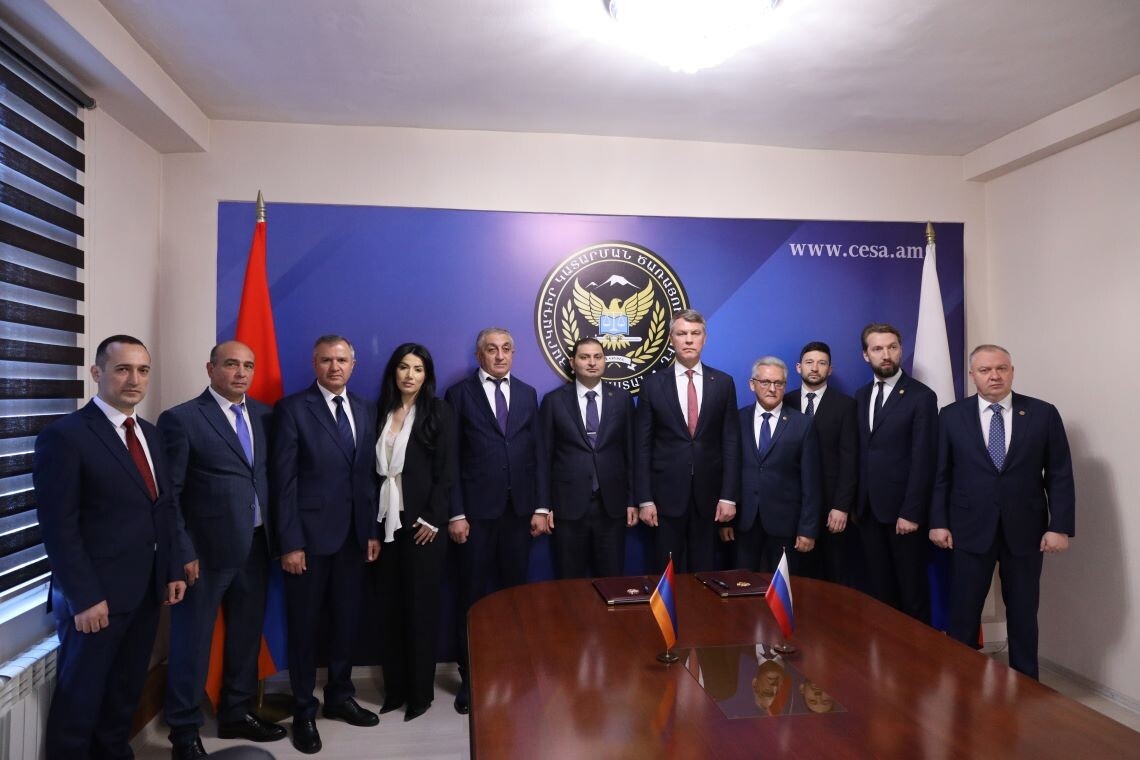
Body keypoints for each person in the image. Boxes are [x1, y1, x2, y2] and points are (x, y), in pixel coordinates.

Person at [33, 335, 187, 759]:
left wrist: (171, 568)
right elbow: (58, 528)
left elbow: (163, 508)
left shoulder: (151, 434)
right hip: (95, 598)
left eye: (142, 370)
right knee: (80, 701)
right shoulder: (65, 437)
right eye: (122, 369)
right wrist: (84, 597)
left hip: (145, 591)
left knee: (124, 693)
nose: (134, 379)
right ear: (97, 373)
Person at [161, 341, 286, 758]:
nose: (241, 373)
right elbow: (171, 495)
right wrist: (182, 551)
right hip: (204, 554)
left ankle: (236, 711)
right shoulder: (182, 419)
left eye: (248, 365)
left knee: (245, 638)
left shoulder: (266, 416)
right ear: (210, 368)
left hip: (256, 545)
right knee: (192, 644)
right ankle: (183, 733)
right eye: (231, 364)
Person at [929, 344, 1075, 679]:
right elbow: (940, 474)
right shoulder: (951, 416)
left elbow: (1059, 474)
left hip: (1026, 530)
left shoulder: (1042, 413)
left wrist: (1060, 526)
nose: (994, 376)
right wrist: (938, 522)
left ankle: (1026, 685)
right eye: (985, 370)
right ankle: (963, 684)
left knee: (1023, 613)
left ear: (1012, 371)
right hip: (968, 529)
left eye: (1001, 368)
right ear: (972, 375)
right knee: (964, 613)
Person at [271, 335, 380, 754]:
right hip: (308, 541)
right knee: (305, 627)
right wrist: (291, 542)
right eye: (326, 360)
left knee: (346, 622)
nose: (334, 367)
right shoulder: (293, 409)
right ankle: (303, 709)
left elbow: (367, 478)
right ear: (314, 364)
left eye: (341, 360)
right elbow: (284, 482)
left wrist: (370, 531)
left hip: (353, 538)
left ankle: (339, 696)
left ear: (353, 364)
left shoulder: (366, 408)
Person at [445, 327, 543, 714]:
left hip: (518, 515)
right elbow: (451, 459)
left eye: (506, 349)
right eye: (491, 349)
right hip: (474, 517)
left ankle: (512, 670)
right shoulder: (458, 395)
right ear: (479, 355)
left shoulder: (528, 394)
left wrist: (540, 507)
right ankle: (471, 678)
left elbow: (536, 454)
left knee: (514, 600)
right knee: (471, 599)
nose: (499, 355)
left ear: (513, 354)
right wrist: (456, 512)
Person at [373, 344, 454, 722]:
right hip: (386, 525)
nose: (410, 375)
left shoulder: (438, 411)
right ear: (394, 372)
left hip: (424, 528)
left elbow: (447, 470)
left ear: (426, 375)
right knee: (389, 610)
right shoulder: (379, 411)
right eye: (404, 367)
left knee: (421, 611)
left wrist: (433, 518)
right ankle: (395, 690)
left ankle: (420, 694)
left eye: (418, 369)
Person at [634, 309, 740, 573]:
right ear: (671, 339)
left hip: (709, 498)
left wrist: (729, 496)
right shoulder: (652, 385)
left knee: (704, 575)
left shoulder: (723, 383)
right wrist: (645, 499)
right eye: (682, 333)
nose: (689, 339)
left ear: (705, 338)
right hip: (664, 498)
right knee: (666, 574)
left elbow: (731, 443)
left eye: (695, 333)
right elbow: (642, 446)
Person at [854, 323, 938, 622]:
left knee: (912, 594)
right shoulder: (861, 395)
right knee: (879, 594)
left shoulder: (921, 396)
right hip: (868, 513)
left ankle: (916, 652)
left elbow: (924, 458)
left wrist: (911, 512)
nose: (886, 354)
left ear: (901, 350)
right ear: (866, 355)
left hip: (904, 515)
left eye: (892, 347)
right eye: (877, 349)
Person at [538, 337, 636, 579]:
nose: (592, 362)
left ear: (604, 361)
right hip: (567, 507)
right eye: (584, 357)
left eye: (597, 357)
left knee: (612, 581)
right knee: (569, 583)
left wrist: (632, 500)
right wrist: (544, 505)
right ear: (573, 363)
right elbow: (543, 457)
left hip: (612, 507)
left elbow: (632, 453)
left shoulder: (622, 399)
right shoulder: (553, 401)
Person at [722, 357, 821, 574]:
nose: (772, 389)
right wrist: (725, 522)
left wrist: (807, 528)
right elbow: (728, 470)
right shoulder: (737, 420)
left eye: (779, 383)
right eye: (765, 382)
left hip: (785, 525)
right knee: (742, 585)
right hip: (744, 523)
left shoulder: (803, 424)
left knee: (782, 588)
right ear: (752, 384)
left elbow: (811, 482)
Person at [785, 341, 859, 585]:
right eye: (809, 362)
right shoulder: (785, 402)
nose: (815, 368)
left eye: (822, 363)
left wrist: (841, 506)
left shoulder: (846, 405)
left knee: (832, 578)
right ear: (799, 367)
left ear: (830, 369)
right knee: (796, 578)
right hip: (793, 505)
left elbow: (850, 459)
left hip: (831, 507)